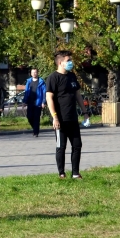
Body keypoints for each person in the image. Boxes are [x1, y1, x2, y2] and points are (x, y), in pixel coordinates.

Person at [45, 50, 90, 179]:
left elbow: (78, 95)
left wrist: (85, 113)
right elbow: (49, 98)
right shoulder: (53, 78)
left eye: (70, 60)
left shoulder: (72, 76)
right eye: (68, 61)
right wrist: (55, 117)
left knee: (77, 145)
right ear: (60, 62)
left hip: (72, 118)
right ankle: (62, 173)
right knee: (61, 146)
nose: (71, 63)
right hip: (60, 120)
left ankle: (75, 173)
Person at [23, 68, 47, 137]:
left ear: (37, 73)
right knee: (29, 116)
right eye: (33, 72)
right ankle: (35, 128)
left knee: (36, 118)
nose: (34, 73)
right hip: (30, 102)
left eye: (35, 72)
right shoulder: (29, 81)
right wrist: (24, 101)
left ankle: (35, 132)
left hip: (38, 102)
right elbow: (26, 92)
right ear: (31, 73)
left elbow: (44, 92)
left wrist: (43, 102)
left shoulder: (41, 82)